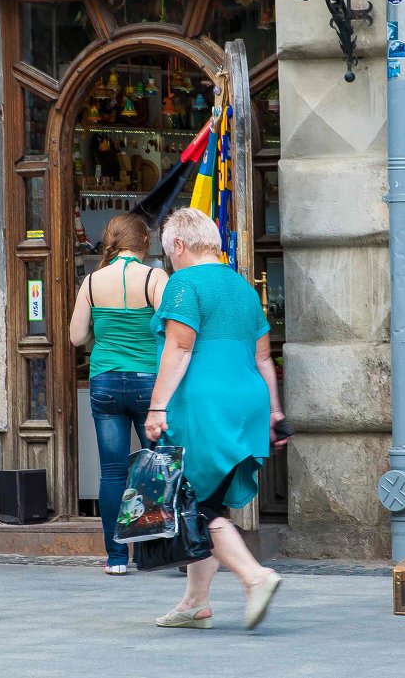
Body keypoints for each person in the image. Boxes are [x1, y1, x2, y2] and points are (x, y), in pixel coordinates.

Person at [144, 208, 288, 630]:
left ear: (180, 246)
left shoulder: (183, 284)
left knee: (195, 504)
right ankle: (195, 602)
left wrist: (156, 407)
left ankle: (254, 576)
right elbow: (264, 357)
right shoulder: (243, 286)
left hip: (204, 406)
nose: (170, 260)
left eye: (169, 253)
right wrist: (275, 412)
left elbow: (180, 348)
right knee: (207, 501)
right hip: (248, 403)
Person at [69, 213, 168, 575]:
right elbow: (172, 327)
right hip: (148, 383)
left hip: (106, 381)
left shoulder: (92, 281)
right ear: (144, 242)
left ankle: (115, 558)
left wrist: (104, 336)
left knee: (112, 473)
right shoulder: (155, 277)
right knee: (156, 468)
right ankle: (155, 551)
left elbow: (76, 337)